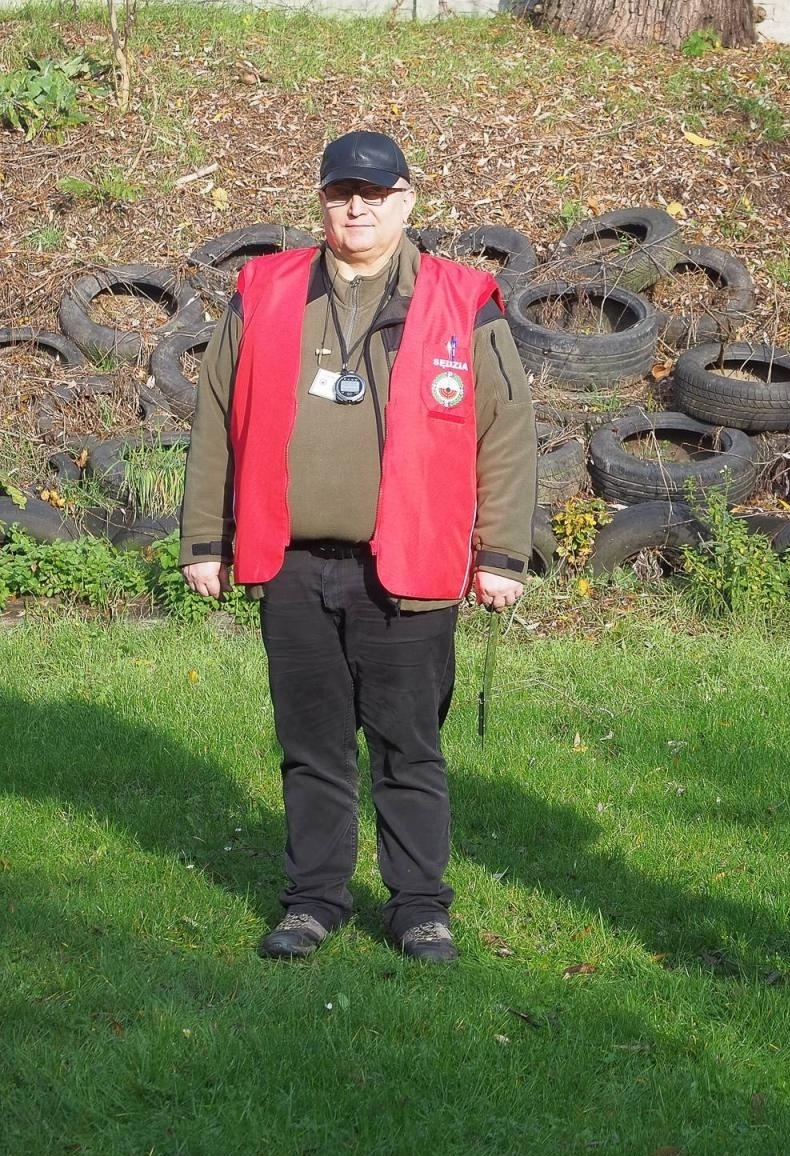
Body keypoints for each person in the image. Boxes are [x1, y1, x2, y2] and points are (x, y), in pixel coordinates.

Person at [179, 130, 536, 964]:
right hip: (292, 562)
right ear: (323, 201)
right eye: (343, 192)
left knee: (409, 747)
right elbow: (215, 421)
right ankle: (313, 901)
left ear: (407, 201)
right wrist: (206, 538)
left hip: (410, 567)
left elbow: (506, 434)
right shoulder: (263, 290)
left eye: (376, 193)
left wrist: (501, 554)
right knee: (311, 746)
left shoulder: (461, 299)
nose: (358, 207)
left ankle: (419, 908)